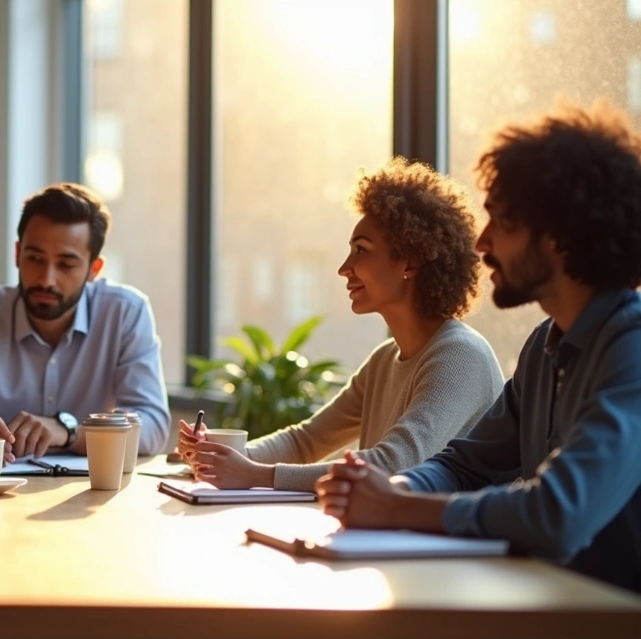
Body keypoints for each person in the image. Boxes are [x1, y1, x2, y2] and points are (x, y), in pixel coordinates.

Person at [317, 101, 641, 594]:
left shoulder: (632, 351)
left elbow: (557, 513)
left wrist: (394, 505)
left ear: (557, 235)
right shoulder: (542, 349)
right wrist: (391, 488)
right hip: (550, 607)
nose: (481, 242)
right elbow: (465, 464)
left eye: (502, 223)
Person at [178, 159, 503, 492]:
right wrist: (221, 457)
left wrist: (257, 475)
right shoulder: (383, 360)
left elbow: (394, 464)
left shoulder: (460, 356)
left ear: (411, 262)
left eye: (361, 250)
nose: (344, 268)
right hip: (397, 539)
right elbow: (306, 442)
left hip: (456, 543)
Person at [0, 183, 170, 465]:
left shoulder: (126, 313)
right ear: (18, 254)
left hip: (91, 495)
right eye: (34, 258)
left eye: (66, 265)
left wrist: (68, 432)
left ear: (93, 270)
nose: (46, 279)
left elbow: (152, 425)